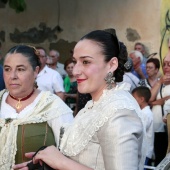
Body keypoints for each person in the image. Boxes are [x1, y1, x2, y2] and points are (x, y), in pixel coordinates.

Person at [13, 29, 146, 170]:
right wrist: (49, 162)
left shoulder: (119, 111)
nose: (76, 71)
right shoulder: (94, 105)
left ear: (112, 64)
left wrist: (62, 162)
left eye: (86, 62)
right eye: (76, 61)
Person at [0, 45, 73, 169]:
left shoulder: (52, 106)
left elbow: (72, 155)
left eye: (21, 69)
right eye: (7, 69)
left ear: (36, 71)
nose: (12, 76)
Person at [149, 52, 170, 166]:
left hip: (169, 126)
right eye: (164, 64)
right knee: (160, 157)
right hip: (158, 126)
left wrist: (154, 102)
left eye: (169, 64)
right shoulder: (160, 81)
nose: (166, 67)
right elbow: (149, 99)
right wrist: (159, 82)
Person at [132, 86, 154, 169]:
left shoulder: (145, 114)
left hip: (144, 151)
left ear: (141, 99)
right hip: (142, 150)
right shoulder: (142, 112)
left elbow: (140, 130)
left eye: (134, 98)